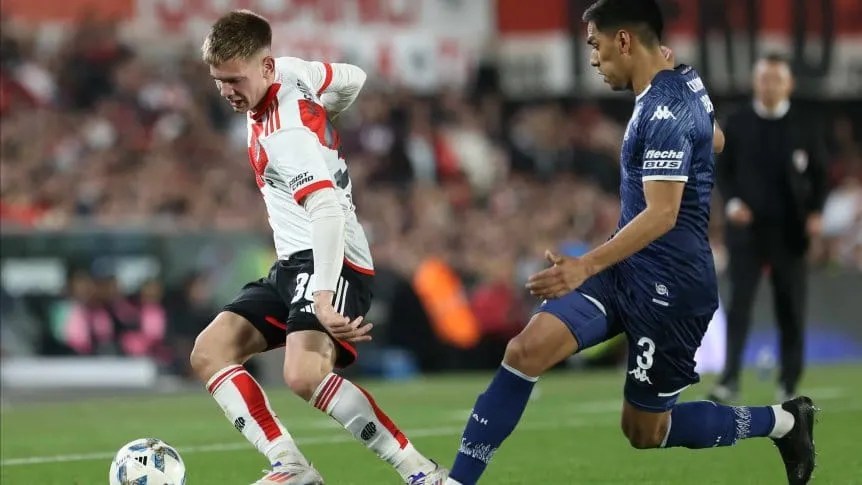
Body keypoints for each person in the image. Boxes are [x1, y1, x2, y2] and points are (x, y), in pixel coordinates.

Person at [444, 1, 816, 484]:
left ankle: (784, 421)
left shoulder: (665, 109)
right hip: (628, 271)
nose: (594, 60)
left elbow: (662, 213)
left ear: (624, 41)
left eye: (596, 46)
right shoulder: (685, 78)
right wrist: (694, 142)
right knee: (525, 351)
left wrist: (585, 265)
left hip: (673, 291)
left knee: (645, 431)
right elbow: (719, 139)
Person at [189, 10, 447, 485]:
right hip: (293, 263)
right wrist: (330, 116)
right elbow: (353, 77)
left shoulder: (287, 132)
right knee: (210, 351)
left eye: (234, 79)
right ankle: (291, 465)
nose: (226, 90)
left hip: (333, 260)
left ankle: (422, 473)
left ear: (265, 68)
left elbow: (326, 211)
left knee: (304, 373)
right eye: (218, 80)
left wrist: (325, 294)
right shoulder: (292, 71)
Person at [709, 53, 827, 404]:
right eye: (764, 78)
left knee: (790, 307)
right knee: (739, 305)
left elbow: (820, 174)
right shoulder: (737, 122)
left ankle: (789, 382)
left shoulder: (804, 125)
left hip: (790, 232)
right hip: (747, 231)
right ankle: (729, 379)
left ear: (788, 84)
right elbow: (722, 170)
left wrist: (816, 211)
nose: (770, 85)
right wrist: (731, 203)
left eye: (776, 78)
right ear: (754, 83)